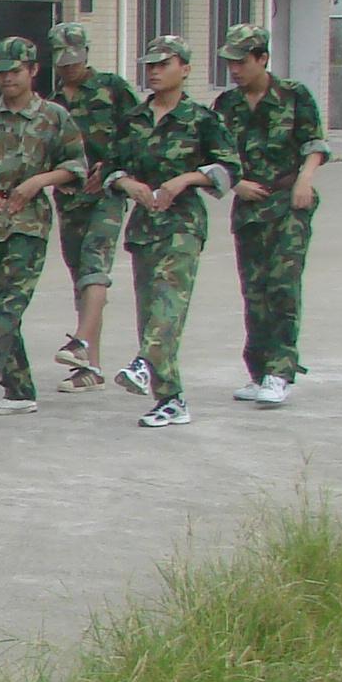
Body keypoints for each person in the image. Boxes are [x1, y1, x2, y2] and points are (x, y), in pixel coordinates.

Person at [109, 35, 240, 427]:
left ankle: (143, 364)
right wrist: (127, 184)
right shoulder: (133, 119)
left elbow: (230, 168)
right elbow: (110, 167)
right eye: (150, 65)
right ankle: (170, 397)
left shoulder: (201, 119)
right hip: (144, 226)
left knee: (170, 300)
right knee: (151, 310)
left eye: (163, 64)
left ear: (185, 68)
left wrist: (186, 179)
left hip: (183, 224)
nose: (155, 72)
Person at [0, 40, 86, 417]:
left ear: (32, 70)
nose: (7, 79)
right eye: (1, 72)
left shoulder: (53, 116)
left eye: (15, 71)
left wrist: (39, 181)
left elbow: (76, 165)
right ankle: (19, 390)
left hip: (27, 222)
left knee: (12, 299)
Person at [211, 23, 328, 409]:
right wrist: (235, 183)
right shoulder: (226, 105)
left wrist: (305, 180)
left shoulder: (293, 95)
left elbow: (314, 142)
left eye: (242, 62)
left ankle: (280, 371)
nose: (235, 70)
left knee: (282, 287)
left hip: (287, 204)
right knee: (254, 291)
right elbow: (214, 156)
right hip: (249, 208)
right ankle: (259, 371)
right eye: (230, 63)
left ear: (262, 58)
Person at [40, 22, 139, 392]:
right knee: (80, 277)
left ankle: (80, 342)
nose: (69, 67)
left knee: (95, 266)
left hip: (106, 194)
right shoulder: (51, 102)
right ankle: (90, 367)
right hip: (70, 198)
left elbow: (137, 134)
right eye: (62, 61)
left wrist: (111, 167)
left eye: (75, 59)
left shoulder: (112, 89)